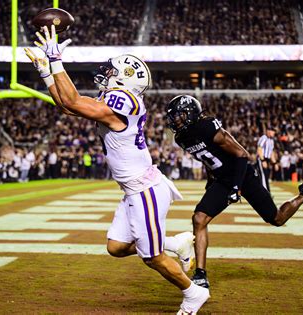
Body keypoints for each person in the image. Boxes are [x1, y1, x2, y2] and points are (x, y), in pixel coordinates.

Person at [25, 26, 209, 314]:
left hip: (145, 189)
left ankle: (192, 292)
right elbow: (67, 107)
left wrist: (56, 61)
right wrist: (47, 72)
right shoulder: (117, 100)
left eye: (112, 73)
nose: (107, 75)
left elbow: (72, 101)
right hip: (135, 190)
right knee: (116, 247)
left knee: (153, 258)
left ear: (125, 79)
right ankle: (176, 243)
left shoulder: (126, 101)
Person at [165, 95, 303, 289]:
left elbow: (242, 155)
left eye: (178, 116)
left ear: (190, 113)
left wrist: (237, 187)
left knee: (276, 219)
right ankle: (201, 274)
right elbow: (207, 159)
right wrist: (211, 179)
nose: (175, 120)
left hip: (244, 176)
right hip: (223, 180)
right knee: (199, 218)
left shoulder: (207, 127)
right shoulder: (181, 137)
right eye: (173, 117)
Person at [256, 127, 275, 191]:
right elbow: (259, 149)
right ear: (268, 131)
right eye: (273, 131)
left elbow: (271, 152)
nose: (274, 133)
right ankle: (265, 192)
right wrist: (263, 160)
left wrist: (275, 163)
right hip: (262, 159)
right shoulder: (264, 138)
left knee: (266, 176)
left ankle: (266, 191)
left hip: (267, 160)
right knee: (263, 176)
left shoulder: (271, 140)